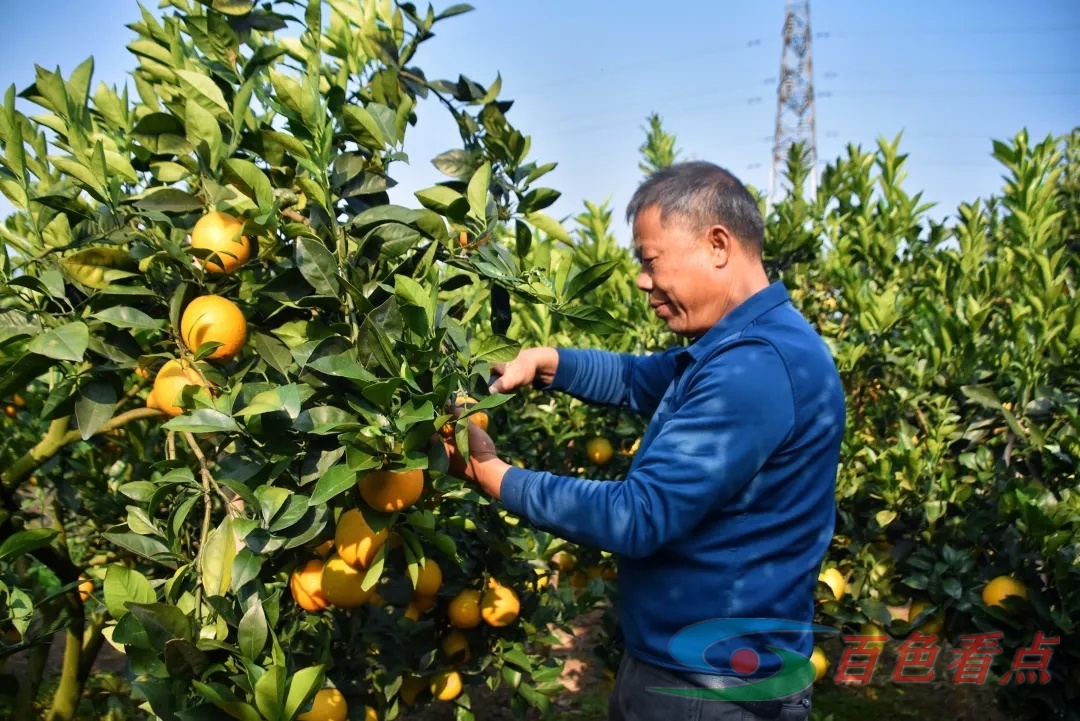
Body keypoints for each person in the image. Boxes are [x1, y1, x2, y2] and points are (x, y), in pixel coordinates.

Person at [452, 161, 846, 721]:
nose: (642, 280)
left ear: (717, 245)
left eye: (650, 261)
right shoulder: (739, 347)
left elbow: (638, 516)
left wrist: (493, 475)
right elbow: (640, 378)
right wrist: (548, 363)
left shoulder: (755, 369)